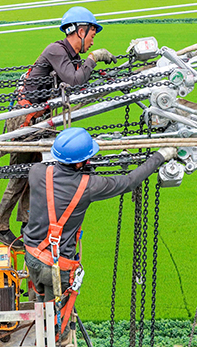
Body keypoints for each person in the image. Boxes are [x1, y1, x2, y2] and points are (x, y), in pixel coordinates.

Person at [21, 127, 176, 333]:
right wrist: (161, 156)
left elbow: (60, 174)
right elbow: (129, 182)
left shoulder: (37, 172)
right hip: (57, 268)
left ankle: (41, 319)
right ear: (79, 162)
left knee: (42, 304)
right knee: (56, 325)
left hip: (32, 256)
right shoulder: (89, 186)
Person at [0, 6, 117, 249]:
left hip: (39, 121)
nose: (92, 41)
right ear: (80, 31)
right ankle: (0, 227)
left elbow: (78, 81)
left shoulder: (68, 56)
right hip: (26, 120)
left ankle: (26, 223)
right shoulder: (56, 50)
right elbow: (76, 79)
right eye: (92, 35)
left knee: (33, 172)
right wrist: (95, 57)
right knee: (21, 174)